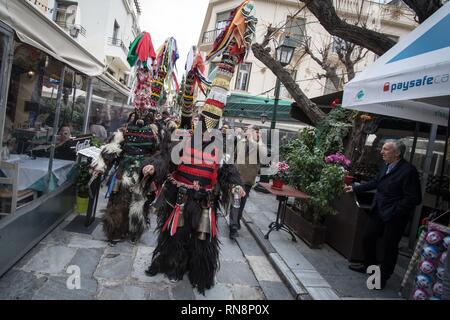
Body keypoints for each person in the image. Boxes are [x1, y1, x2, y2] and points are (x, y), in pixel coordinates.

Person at [344, 139, 422, 289]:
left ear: (397, 153)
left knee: (389, 247)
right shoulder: (386, 166)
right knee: (368, 237)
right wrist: (354, 188)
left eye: (385, 149)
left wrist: (395, 210)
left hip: (395, 217)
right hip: (379, 211)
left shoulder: (408, 171)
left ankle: (382, 278)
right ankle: (370, 267)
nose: (381, 152)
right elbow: (375, 182)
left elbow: (414, 198)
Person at [231, 126, 265, 239]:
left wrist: (252, 141)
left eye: (253, 131)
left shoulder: (260, 146)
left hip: (248, 179)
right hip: (237, 178)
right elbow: (235, 156)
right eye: (249, 131)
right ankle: (233, 226)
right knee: (236, 201)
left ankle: (237, 220)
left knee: (242, 202)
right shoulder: (241, 142)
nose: (249, 132)